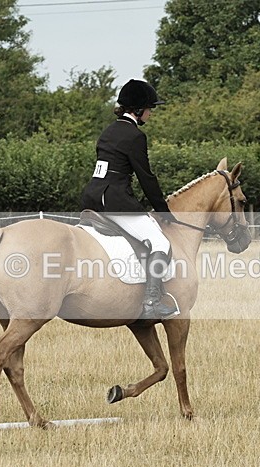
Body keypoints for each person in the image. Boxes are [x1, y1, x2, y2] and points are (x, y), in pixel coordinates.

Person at [81, 79, 179, 320]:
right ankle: (151, 301)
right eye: (149, 108)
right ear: (137, 110)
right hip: (115, 201)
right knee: (160, 243)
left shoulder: (108, 131)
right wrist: (163, 210)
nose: (151, 113)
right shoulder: (135, 136)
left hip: (93, 196)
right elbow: (147, 178)